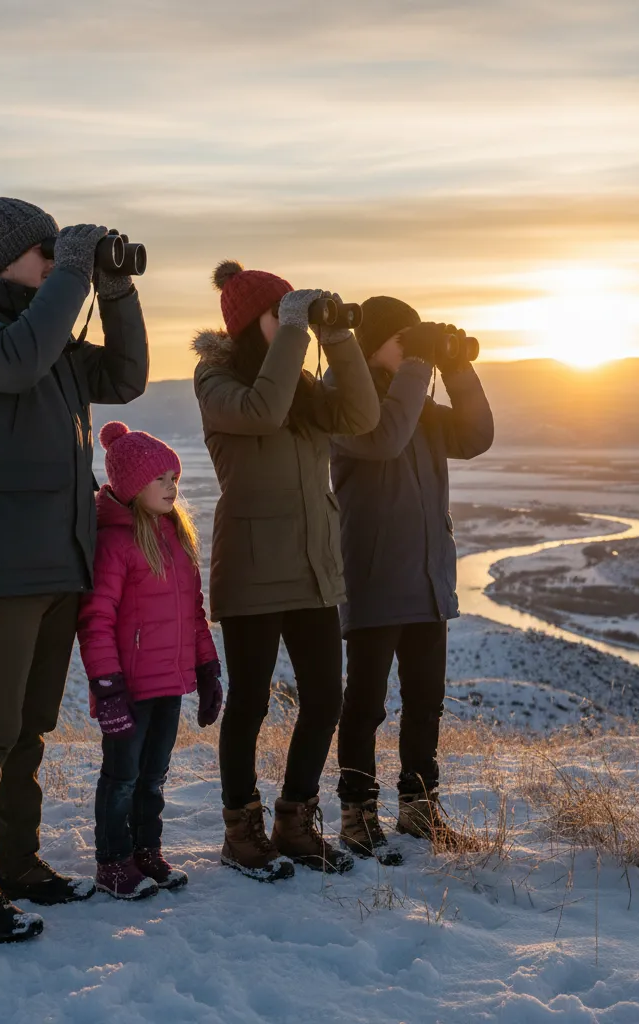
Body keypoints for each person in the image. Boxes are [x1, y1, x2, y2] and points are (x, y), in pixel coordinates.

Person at [0, 184, 149, 942]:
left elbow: (125, 378)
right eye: (46, 253)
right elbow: (19, 363)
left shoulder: (42, 325)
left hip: (59, 557)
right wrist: (73, 278)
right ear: (2, 259)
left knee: (28, 729)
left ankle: (17, 866)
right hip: (1, 561)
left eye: (64, 252)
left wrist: (112, 288)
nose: (59, 264)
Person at [192, 260, 380, 882]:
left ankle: (294, 822)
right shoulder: (216, 381)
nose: (293, 324)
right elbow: (263, 410)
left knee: (325, 697)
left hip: (312, 565)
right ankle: (240, 830)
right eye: (281, 314)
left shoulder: (299, 383)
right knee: (249, 704)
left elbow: (361, 416)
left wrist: (339, 338)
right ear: (252, 324)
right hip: (251, 568)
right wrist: (299, 331)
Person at [330, 297, 493, 864]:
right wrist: (423, 363)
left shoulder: (418, 408)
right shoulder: (349, 407)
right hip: (374, 578)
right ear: (373, 344)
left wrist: (455, 366)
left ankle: (419, 810)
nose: (413, 350)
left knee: (425, 703)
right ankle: (358, 813)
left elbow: (476, 435)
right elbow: (386, 436)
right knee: (366, 705)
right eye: (404, 339)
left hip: (426, 579)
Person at [78, 422, 221, 899]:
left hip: (170, 684)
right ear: (132, 486)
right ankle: (112, 861)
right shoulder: (116, 544)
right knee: (122, 777)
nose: (171, 486)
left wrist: (207, 669)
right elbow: (96, 620)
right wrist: (107, 687)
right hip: (130, 688)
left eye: (173, 477)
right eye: (159, 478)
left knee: (154, 777)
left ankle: (146, 852)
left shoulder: (176, 539)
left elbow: (193, 614)